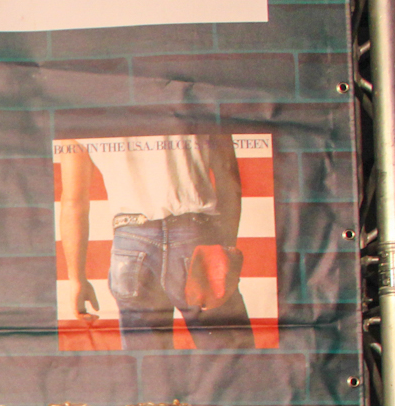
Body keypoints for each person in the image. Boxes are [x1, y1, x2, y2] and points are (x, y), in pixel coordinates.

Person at [57, 132, 254, 349]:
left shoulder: (77, 120)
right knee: (234, 357)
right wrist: (224, 251)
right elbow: (228, 179)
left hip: (130, 247)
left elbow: (74, 201)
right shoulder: (206, 110)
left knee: (147, 363)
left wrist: (76, 278)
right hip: (195, 236)